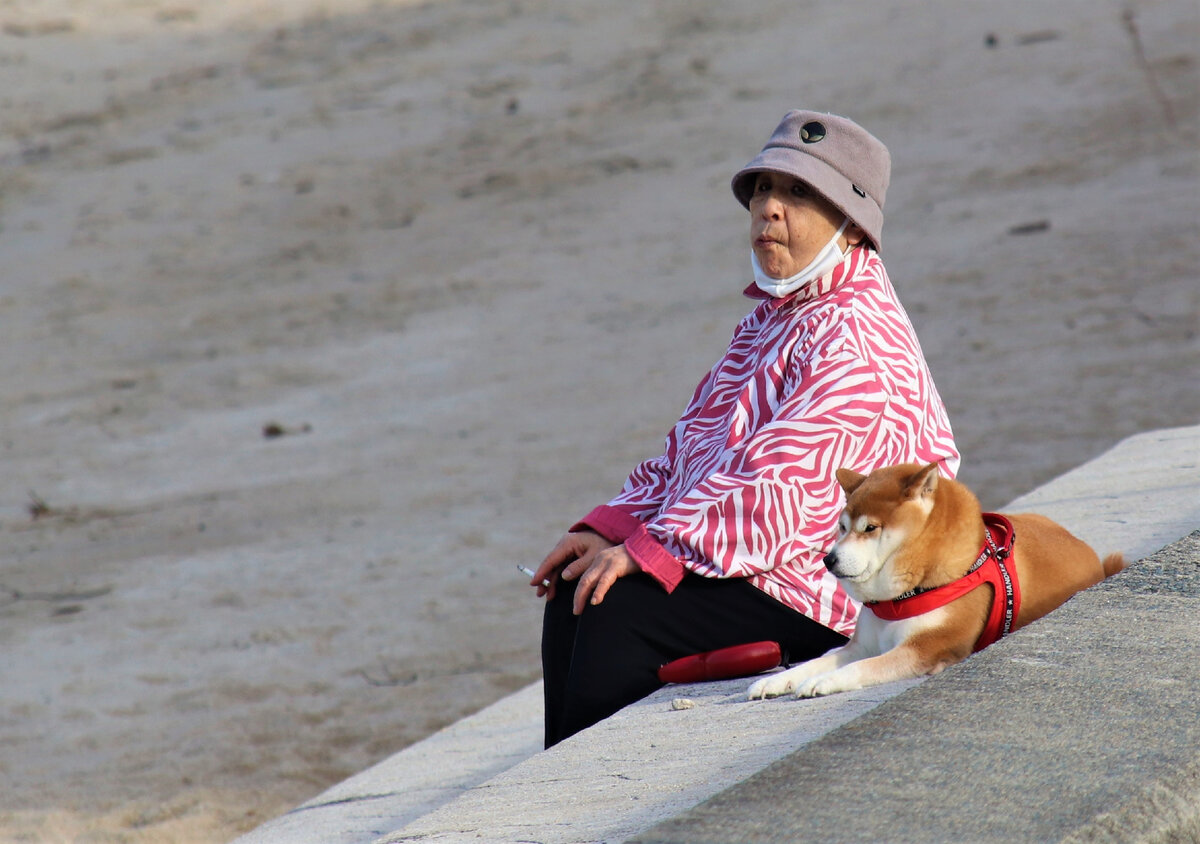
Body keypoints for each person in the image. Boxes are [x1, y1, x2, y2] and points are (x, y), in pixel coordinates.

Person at [529, 109, 960, 748]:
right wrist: (610, 526)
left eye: (799, 194)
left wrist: (654, 552)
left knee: (615, 613)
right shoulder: (777, 317)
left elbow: (779, 493)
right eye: (762, 189)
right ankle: (560, 791)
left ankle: (593, 806)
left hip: (834, 591)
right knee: (576, 590)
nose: (770, 210)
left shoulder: (856, 338)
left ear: (851, 221)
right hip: (760, 560)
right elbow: (693, 455)